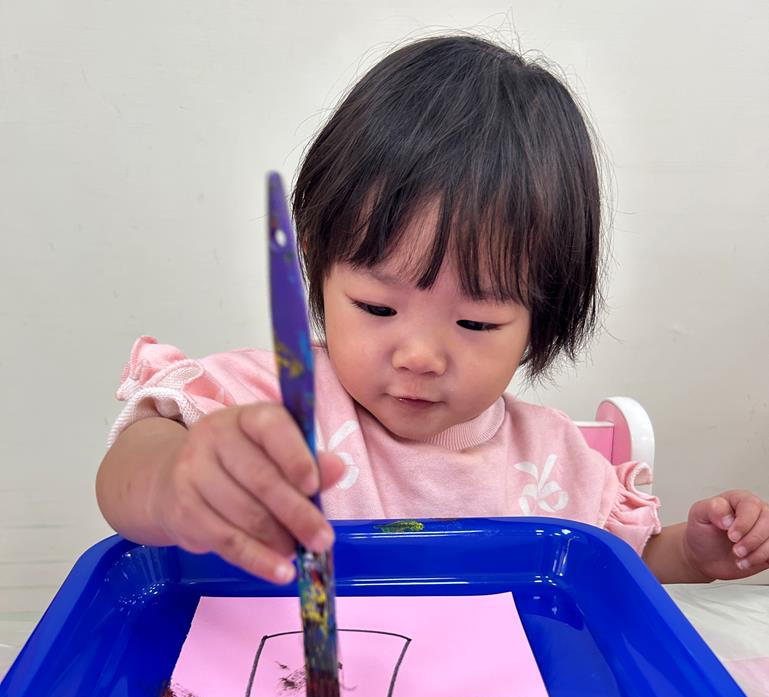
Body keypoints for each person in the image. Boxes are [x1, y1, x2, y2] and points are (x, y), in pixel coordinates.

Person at [95, 35, 768, 586]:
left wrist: (693, 555)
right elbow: (133, 464)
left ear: (542, 316)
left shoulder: (553, 460)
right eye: (376, 306)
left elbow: (619, 564)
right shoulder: (273, 402)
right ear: (318, 270)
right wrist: (174, 481)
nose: (419, 355)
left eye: (475, 322)